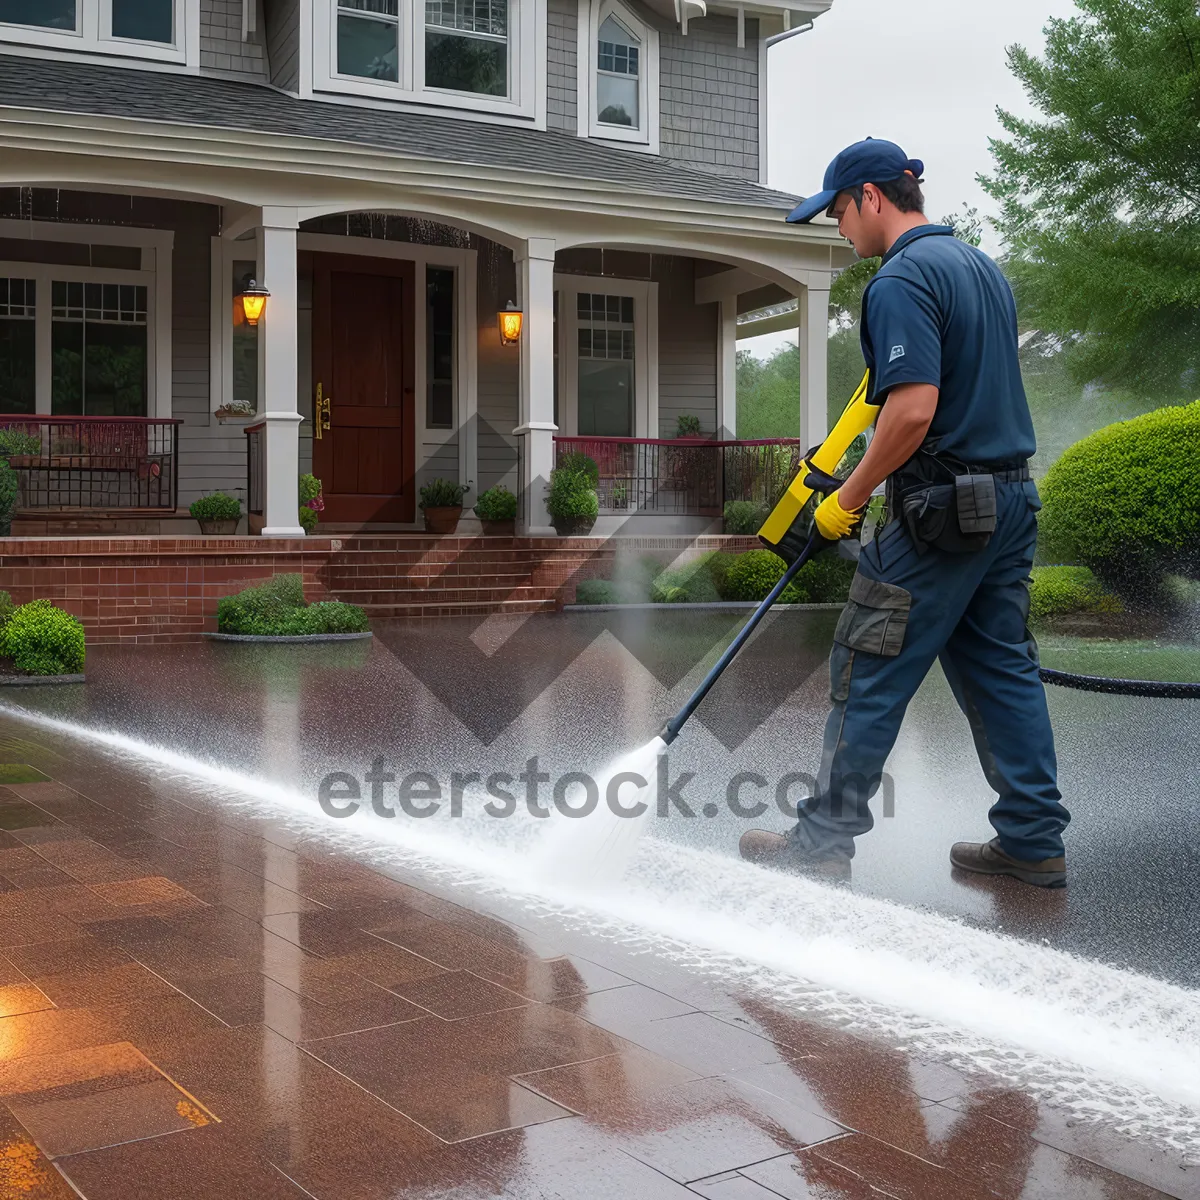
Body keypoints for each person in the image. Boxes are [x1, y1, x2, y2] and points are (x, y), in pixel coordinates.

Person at [739, 138, 1070, 888]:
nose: (840, 232)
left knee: (868, 663)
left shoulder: (901, 278)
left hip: (941, 512)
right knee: (1002, 670)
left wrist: (844, 502)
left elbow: (913, 412)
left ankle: (820, 841)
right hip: (1012, 499)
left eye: (838, 215)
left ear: (870, 197)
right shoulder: (982, 268)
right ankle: (1032, 839)